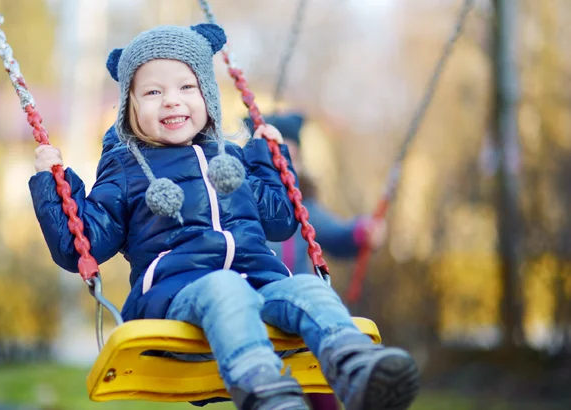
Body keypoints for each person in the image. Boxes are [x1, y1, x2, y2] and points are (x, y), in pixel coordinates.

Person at [29, 23, 418, 410]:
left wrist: (270, 160)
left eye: (187, 87)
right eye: (152, 92)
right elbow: (83, 244)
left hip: (260, 288)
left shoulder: (232, 158)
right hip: (178, 301)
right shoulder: (127, 168)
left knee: (309, 289)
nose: (171, 100)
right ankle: (262, 389)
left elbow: (281, 221)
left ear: (208, 96)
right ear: (129, 107)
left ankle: (356, 371)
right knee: (224, 287)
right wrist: (53, 183)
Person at [246, 114, 388, 410]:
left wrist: (363, 232)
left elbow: (336, 234)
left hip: (300, 311)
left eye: (290, 155)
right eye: (272, 154)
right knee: (272, 389)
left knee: (320, 387)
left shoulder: (304, 207)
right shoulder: (245, 204)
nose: (283, 163)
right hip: (258, 311)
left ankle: (359, 383)